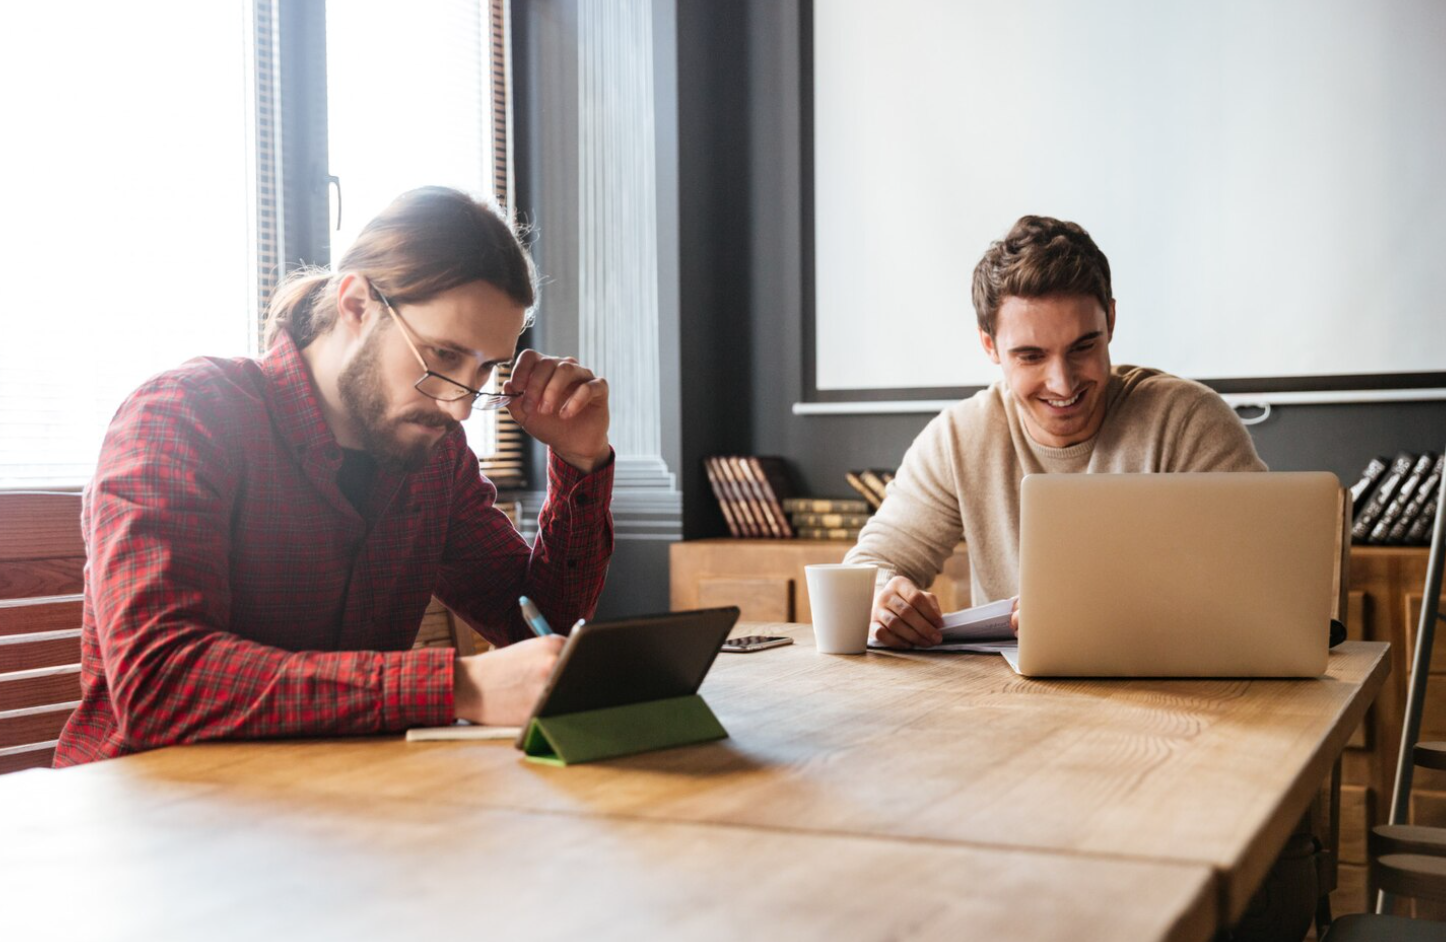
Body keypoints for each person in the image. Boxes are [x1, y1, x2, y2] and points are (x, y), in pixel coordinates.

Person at [55, 187, 615, 766]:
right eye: (444, 356)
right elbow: (159, 685)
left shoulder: (436, 458)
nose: (458, 407)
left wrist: (580, 461)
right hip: (147, 820)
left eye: (484, 370)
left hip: (337, 807)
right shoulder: (183, 416)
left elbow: (539, 630)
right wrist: (459, 687)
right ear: (355, 304)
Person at [846, 215, 1265, 649]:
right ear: (989, 346)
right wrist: (883, 600)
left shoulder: (1189, 422)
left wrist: (1127, 614)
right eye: (1030, 356)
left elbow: (1262, 578)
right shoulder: (958, 439)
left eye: (1083, 347)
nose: (1063, 384)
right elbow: (870, 566)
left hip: (1181, 697)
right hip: (1014, 700)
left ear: (1112, 321)